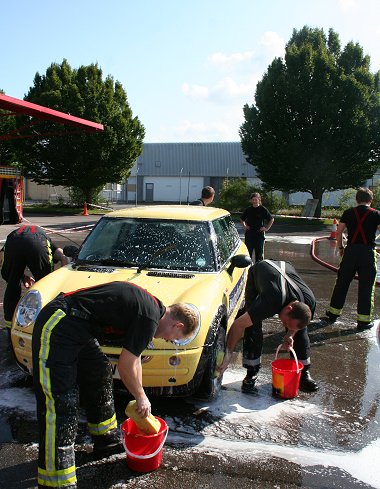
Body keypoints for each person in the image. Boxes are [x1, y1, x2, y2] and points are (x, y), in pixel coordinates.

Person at [32, 281, 198, 489]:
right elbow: (126, 366)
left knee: (99, 372)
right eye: (174, 339)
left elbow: (135, 358)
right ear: (177, 325)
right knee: (60, 402)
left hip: (79, 328)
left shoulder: (152, 312)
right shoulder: (149, 318)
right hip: (59, 323)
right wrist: (140, 397)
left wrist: (141, 394)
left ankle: (106, 439)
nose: (168, 341)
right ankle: (55, 481)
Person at [219, 259, 318, 393]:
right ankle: (251, 371)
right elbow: (238, 325)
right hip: (259, 272)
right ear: (288, 308)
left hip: (286, 268)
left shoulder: (309, 302)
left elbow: (296, 326)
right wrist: (228, 355)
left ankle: (303, 373)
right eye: (286, 324)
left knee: (301, 330)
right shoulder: (270, 302)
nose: (285, 326)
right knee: (252, 326)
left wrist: (290, 335)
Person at [325, 187, 380, 330]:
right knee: (367, 286)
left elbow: (339, 232)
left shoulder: (348, 213)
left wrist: (341, 248)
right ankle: (363, 321)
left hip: (350, 252)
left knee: (342, 282)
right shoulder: (376, 214)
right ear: (370, 200)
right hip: (368, 253)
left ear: (357, 199)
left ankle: (333, 313)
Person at [1, 225, 68, 329]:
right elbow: (62, 255)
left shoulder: (14, 236)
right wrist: (64, 278)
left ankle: (9, 325)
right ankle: (44, 323)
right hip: (37, 242)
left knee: (12, 283)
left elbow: (5, 269)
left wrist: (20, 276)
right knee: (46, 285)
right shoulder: (47, 241)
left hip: (13, 240)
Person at [240, 192, 274, 262]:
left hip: (259, 235)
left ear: (259, 200)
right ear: (251, 200)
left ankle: (258, 270)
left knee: (259, 255)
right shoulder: (248, 209)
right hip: (249, 234)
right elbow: (242, 219)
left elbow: (271, 219)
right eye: (253, 199)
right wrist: (244, 226)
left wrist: (266, 228)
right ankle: (248, 269)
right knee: (248, 254)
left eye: (256, 199)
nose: (254, 201)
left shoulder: (263, 209)